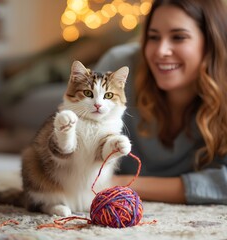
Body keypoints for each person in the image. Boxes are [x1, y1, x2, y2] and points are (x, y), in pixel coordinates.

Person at [94, 0, 227, 205]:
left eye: (179, 37)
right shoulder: (117, 68)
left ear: (211, 41)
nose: (161, 51)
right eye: (153, 37)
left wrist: (120, 183)